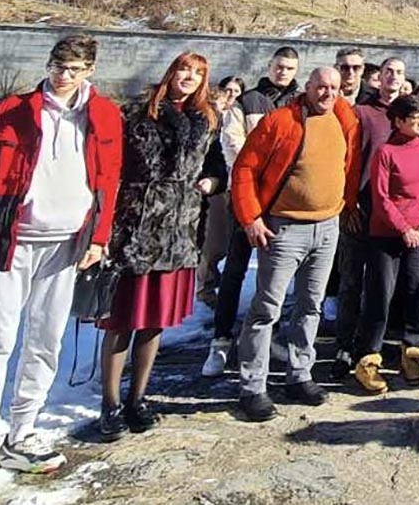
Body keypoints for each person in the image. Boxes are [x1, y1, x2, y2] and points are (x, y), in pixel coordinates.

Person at [0, 35, 123, 502]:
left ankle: (22, 431)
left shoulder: (104, 115)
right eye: (57, 65)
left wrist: (99, 238)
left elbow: (108, 178)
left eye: (74, 68)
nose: (63, 75)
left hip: (67, 246)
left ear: (90, 70)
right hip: (11, 245)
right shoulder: (12, 111)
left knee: (46, 341)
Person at [99, 53, 226, 440]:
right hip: (135, 227)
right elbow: (110, 166)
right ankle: (110, 403)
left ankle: (138, 398)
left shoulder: (206, 119)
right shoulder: (137, 111)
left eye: (197, 74)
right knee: (122, 320)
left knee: (154, 322)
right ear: (171, 72)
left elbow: (218, 167)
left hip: (179, 231)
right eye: (184, 70)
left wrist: (212, 183)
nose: (189, 78)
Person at [229, 66, 360, 421]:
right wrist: (251, 218)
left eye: (334, 88)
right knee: (266, 309)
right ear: (308, 87)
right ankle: (252, 386)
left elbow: (351, 164)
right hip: (283, 230)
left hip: (328, 226)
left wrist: (347, 206)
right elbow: (244, 168)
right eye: (321, 87)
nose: (327, 93)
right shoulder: (280, 121)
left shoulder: (345, 118)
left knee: (311, 306)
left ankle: (300, 373)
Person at [203, 47, 301, 378]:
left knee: (273, 277)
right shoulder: (250, 101)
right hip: (247, 198)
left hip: (285, 205)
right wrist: (263, 176)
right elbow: (234, 147)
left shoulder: (301, 103)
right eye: (279, 66)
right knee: (235, 269)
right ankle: (220, 340)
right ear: (269, 67)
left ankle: (264, 338)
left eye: (289, 68)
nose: (283, 72)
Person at [352, 93, 419, 394]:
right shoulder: (386, 152)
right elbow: (382, 198)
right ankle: (367, 358)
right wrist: (404, 228)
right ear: (398, 121)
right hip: (387, 234)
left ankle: (413, 351)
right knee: (381, 294)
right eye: (414, 120)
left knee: (416, 291)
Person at [333, 55, 407, 378]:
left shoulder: (410, 115)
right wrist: (349, 203)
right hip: (361, 209)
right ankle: (343, 346)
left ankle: (372, 345)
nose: (393, 77)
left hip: (393, 214)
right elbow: (347, 160)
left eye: (399, 73)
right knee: (351, 280)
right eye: (388, 71)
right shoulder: (362, 113)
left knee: (383, 285)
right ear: (379, 77)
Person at [197, 75, 244, 306]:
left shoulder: (237, 118)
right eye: (228, 90)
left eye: (236, 92)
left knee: (225, 241)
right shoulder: (209, 121)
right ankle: (205, 287)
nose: (231, 96)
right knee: (212, 243)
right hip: (215, 184)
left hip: (232, 183)